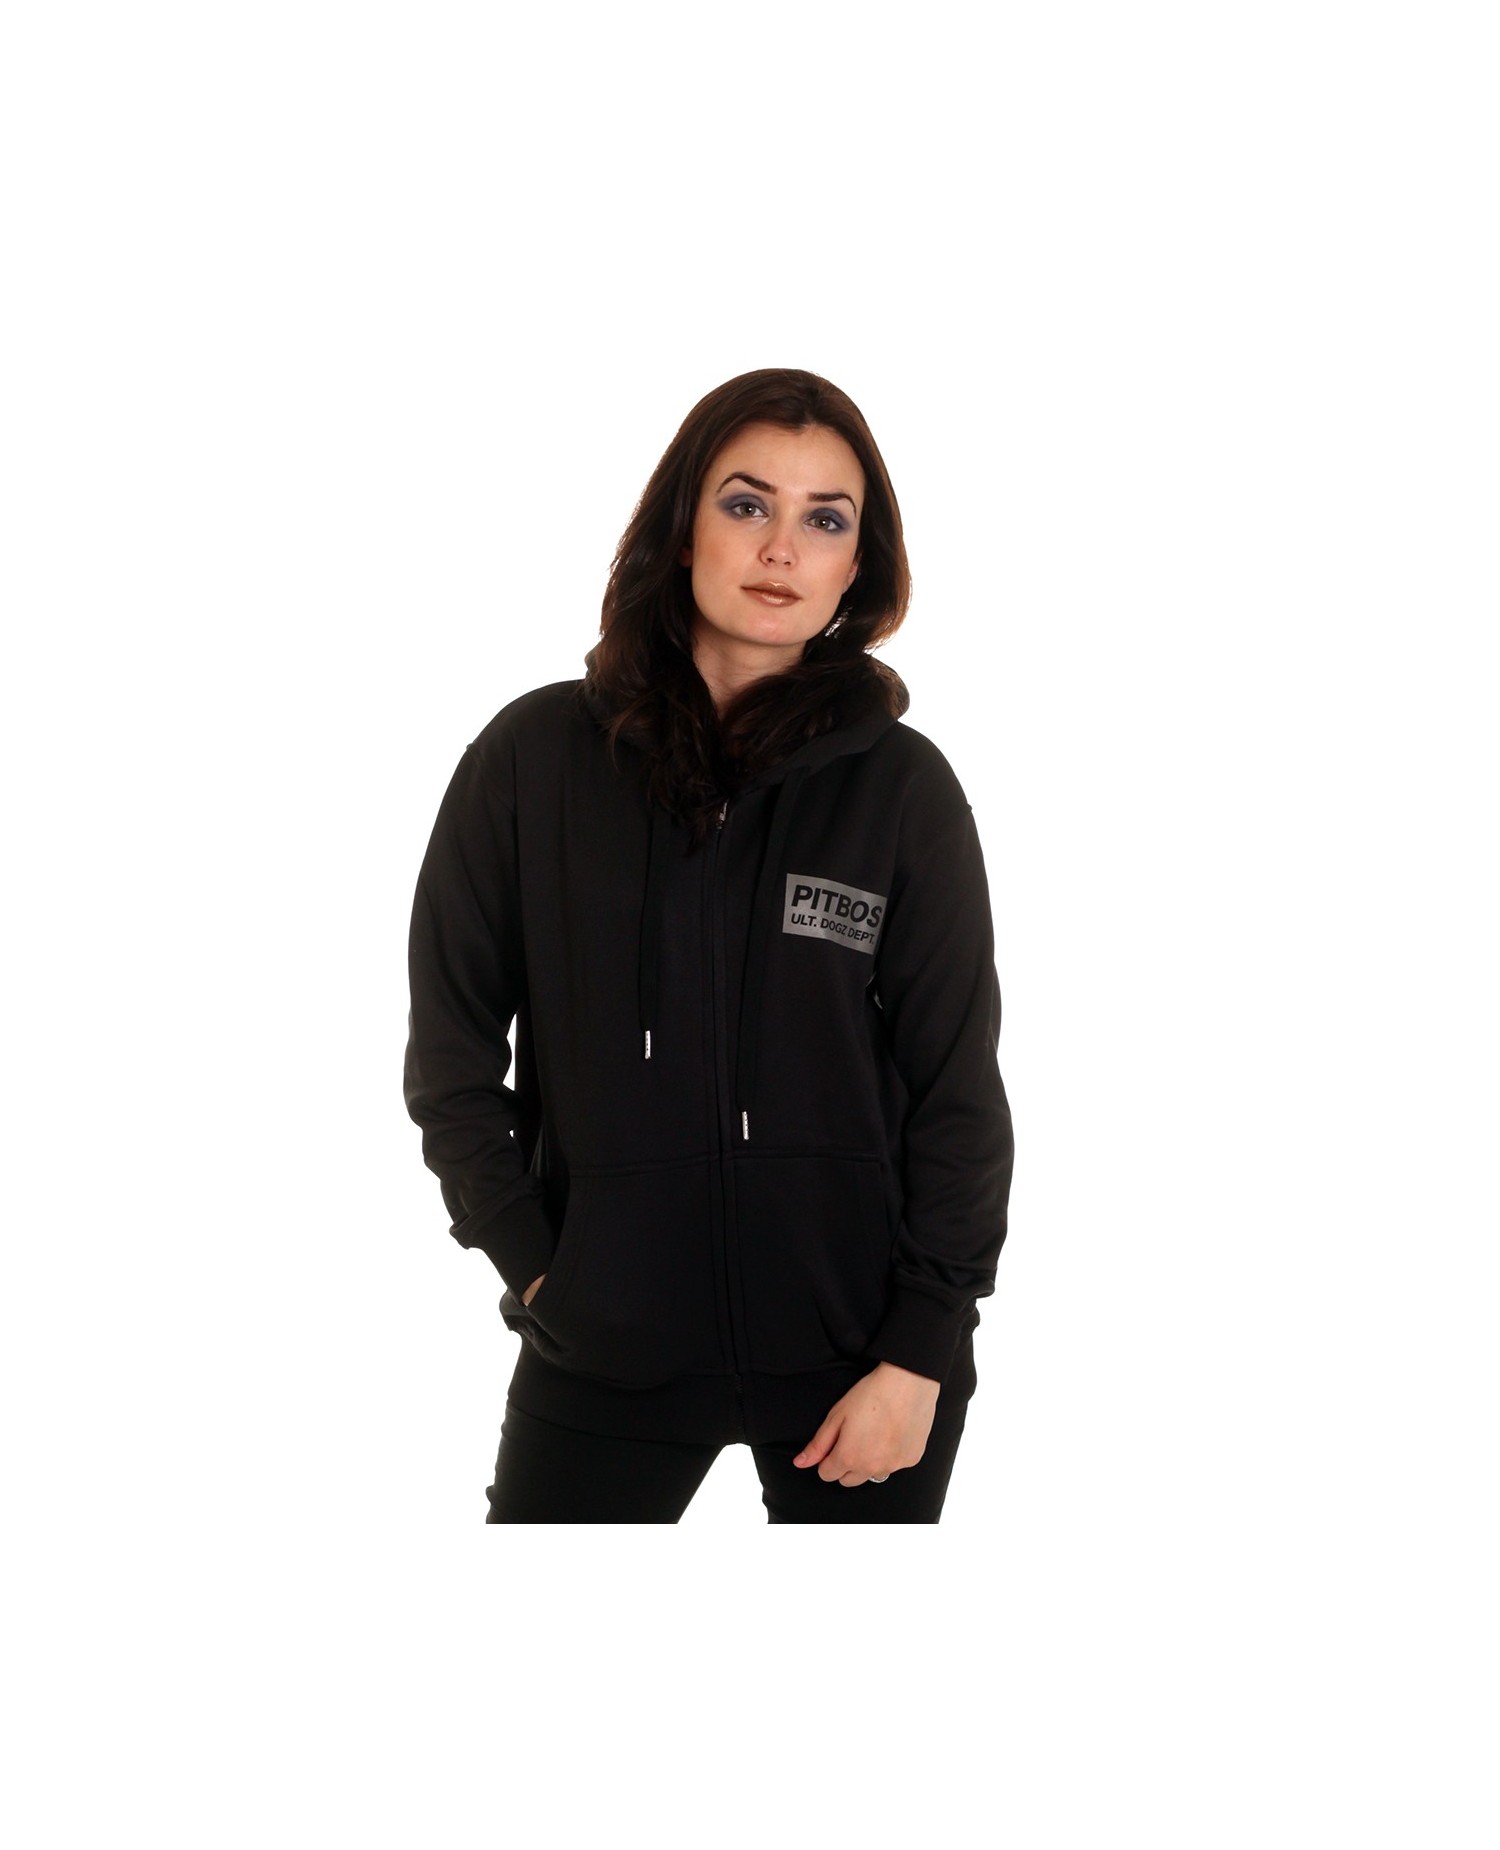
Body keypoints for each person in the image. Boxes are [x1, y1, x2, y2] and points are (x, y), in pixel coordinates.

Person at [403, 368, 1014, 1523]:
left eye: (825, 519)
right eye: (746, 503)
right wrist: (543, 1267)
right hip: (603, 1349)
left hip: (861, 1359)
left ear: (857, 563)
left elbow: (956, 1089)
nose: (781, 547)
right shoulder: (531, 762)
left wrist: (921, 1346)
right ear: (683, 526)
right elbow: (451, 1055)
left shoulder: (900, 789)